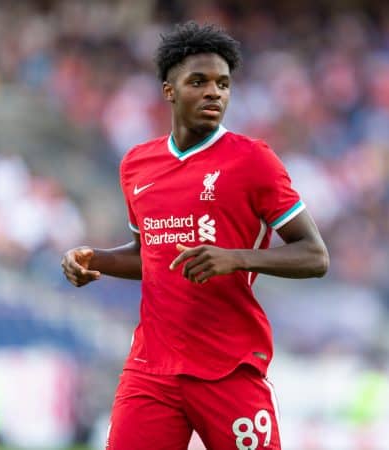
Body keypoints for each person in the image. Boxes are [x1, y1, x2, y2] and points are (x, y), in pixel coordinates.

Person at [61, 21, 329, 450]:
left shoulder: (253, 161)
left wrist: (235, 257)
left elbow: (315, 256)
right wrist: (97, 260)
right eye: (199, 82)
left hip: (228, 368)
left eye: (223, 84)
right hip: (152, 369)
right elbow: (150, 255)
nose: (214, 93)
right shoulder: (137, 165)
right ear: (169, 90)